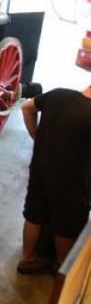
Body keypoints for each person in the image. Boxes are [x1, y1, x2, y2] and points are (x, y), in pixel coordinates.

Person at [17, 85, 91, 274]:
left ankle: (27, 258)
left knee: (34, 212)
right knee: (67, 222)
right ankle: (61, 266)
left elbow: (26, 107)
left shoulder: (58, 95)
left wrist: (36, 136)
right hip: (71, 177)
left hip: (41, 165)